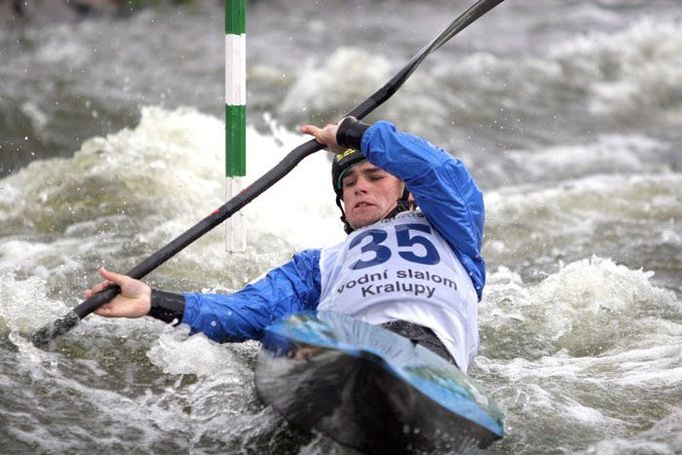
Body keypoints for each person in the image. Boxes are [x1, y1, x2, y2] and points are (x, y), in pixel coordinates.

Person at [86, 117, 485, 372]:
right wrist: (153, 301)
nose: (359, 186)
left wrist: (349, 134)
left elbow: (437, 169)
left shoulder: (452, 228)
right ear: (342, 205)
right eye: (348, 183)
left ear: (408, 192)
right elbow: (247, 312)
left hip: (432, 352)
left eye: (375, 176)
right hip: (348, 349)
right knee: (287, 333)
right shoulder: (320, 264)